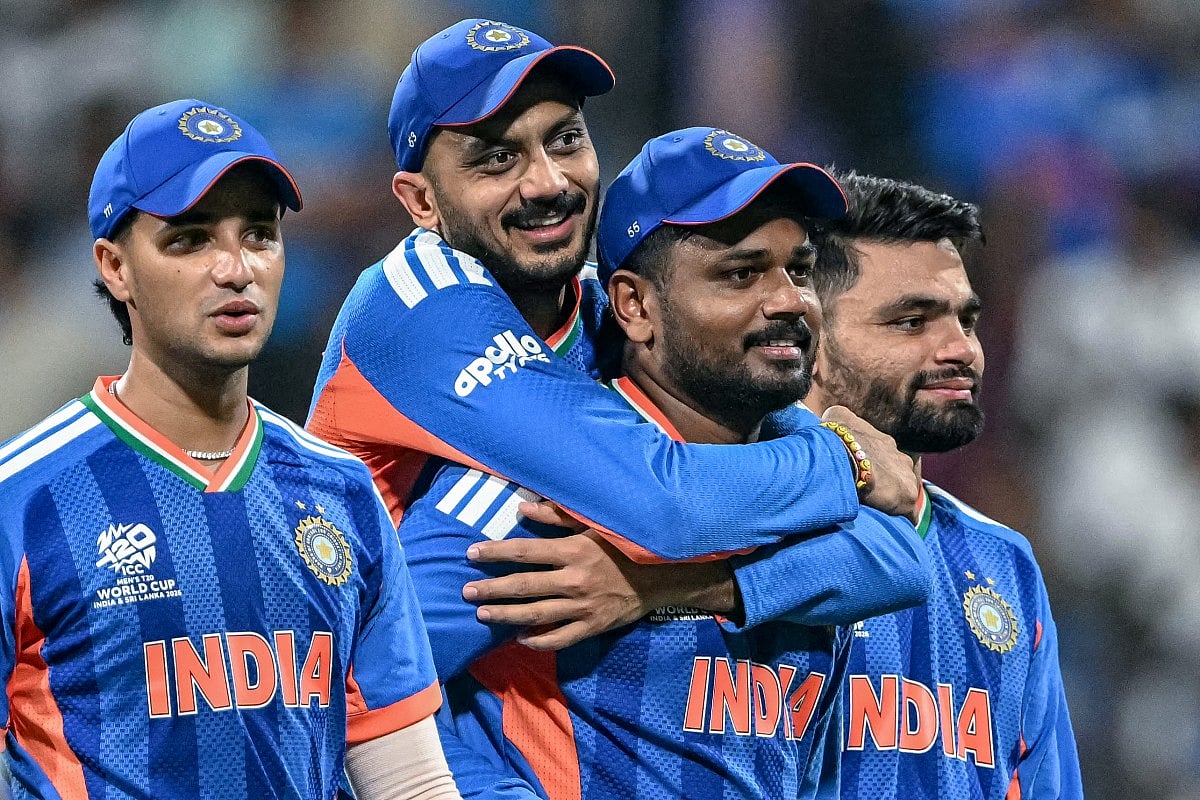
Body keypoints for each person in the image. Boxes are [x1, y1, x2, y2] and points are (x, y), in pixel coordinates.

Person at [307, 16, 922, 651]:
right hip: (319, 671)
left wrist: (674, 588)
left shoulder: (611, 311)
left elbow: (900, 557)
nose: (548, 182)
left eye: (566, 140)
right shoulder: (417, 303)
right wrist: (844, 461)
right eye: (497, 157)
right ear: (421, 201)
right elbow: (665, 504)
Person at [400, 128, 931, 799]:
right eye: (740, 275)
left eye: (798, 269)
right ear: (635, 306)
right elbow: (363, 678)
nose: (789, 301)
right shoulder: (539, 491)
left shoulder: (807, 461)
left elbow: (905, 559)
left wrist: (661, 588)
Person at [0, 99, 459, 800]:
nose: (236, 267)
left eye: (260, 234)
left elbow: (410, 781)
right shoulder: (22, 501)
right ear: (114, 267)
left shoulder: (344, 493)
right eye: (190, 239)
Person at [798, 172, 1084, 799]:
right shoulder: (745, 532)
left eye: (965, 319)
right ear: (811, 344)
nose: (961, 349)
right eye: (911, 321)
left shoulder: (1005, 565)